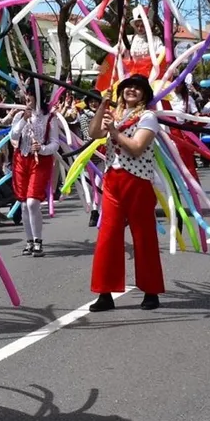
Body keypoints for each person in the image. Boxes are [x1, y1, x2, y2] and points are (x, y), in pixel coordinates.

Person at [87, 74, 165, 312]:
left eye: (137, 88)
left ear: (144, 95)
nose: (132, 90)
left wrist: (114, 131)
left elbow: (136, 147)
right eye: (128, 87)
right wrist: (102, 108)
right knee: (107, 237)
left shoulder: (148, 117)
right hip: (113, 181)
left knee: (144, 237)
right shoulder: (115, 114)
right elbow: (93, 133)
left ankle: (151, 291)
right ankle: (105, 293)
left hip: (138, 182)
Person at [10, 82, 60, 257]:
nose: (27, 98)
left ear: (38, 96)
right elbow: (13, 136)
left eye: (30, 94)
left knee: (32, 202)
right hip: (20, 160)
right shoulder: (20, 115)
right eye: (25, 94)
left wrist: (42, 148)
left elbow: (55, 143)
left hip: (40, 162)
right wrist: (23, 119)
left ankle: (38, 240)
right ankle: (29, 241)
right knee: (24, 204)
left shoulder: (50, 118)